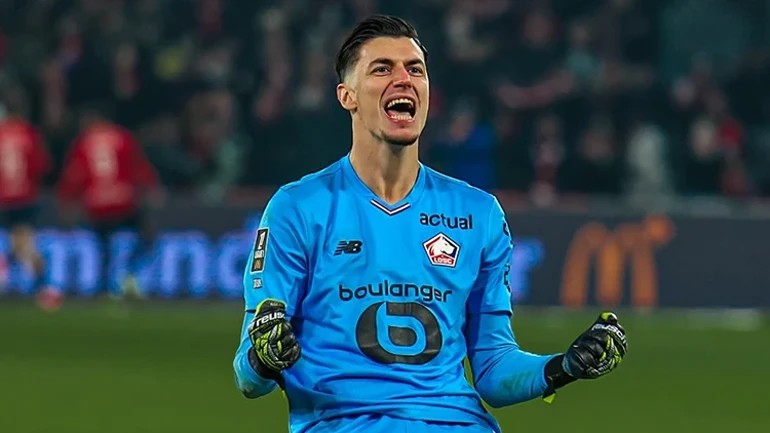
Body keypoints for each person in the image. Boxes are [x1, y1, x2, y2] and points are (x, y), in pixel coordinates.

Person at [233, 15, 627, 433]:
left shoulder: (478, 213)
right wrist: (265, 356)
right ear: (347, 96)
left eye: (415, 69)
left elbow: (493, 367)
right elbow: (248, 377)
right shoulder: (299, 208)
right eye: (382, 69)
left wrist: (564, 366)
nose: (403, 80)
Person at [57, 103, 162, 297]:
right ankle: (128, 274)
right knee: (147, 237)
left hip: (97, 206)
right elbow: (138, 167)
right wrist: (150, 187)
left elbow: (74, 175)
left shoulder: (84, 142)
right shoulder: (123, 137)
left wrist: (68, 200)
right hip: (124, 202)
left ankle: (105, 288)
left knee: (103, 250)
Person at [0, 105, 53, 297]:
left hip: (4, 197)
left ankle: (36, 283)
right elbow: (43, 165)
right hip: (26, 196)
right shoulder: (29, 133)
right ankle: (37, 282)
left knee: (17, 241)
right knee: (23, 241)